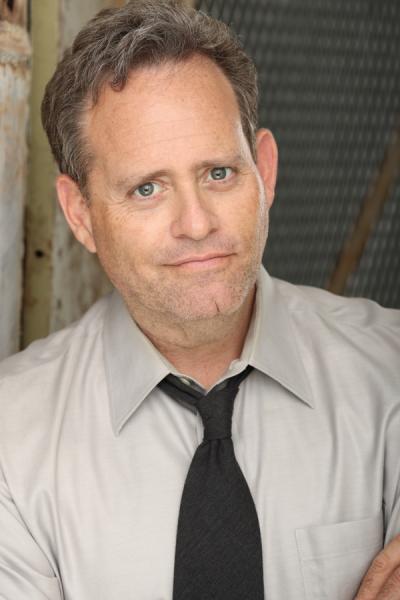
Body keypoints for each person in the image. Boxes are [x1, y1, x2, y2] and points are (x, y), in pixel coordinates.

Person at [0, 1, 399, 598]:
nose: (196, 223)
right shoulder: (11, 439)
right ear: (80, 214)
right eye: (147, 188)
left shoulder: (389, 371)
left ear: (264, 170)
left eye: (218, 173)